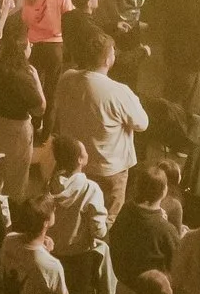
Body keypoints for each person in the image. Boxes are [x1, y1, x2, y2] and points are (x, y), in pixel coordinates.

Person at [50, 38, 147, 220]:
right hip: (109, 169)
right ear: (107, 60)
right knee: (107, 217)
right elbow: (142, 123)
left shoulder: (66, 77)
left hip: (73, 162)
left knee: (70, 214)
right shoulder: (118, 91)